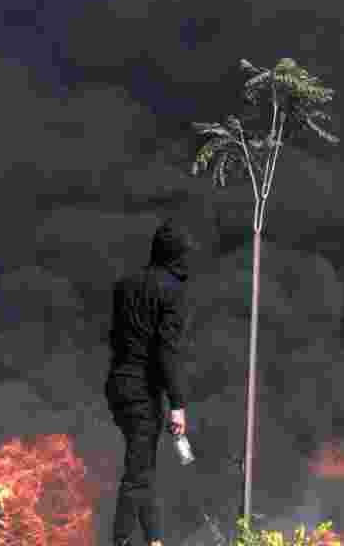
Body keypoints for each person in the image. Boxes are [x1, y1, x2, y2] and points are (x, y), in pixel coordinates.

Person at [105, 218, 197, 546]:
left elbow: (116, 337)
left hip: (118, 385)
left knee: (144, 471)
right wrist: (178, 405)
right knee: (137, 476)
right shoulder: (173, 291)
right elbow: (166, 351)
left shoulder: (125, 284)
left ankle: (154, 539)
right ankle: (122, 542)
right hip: (143, 392)